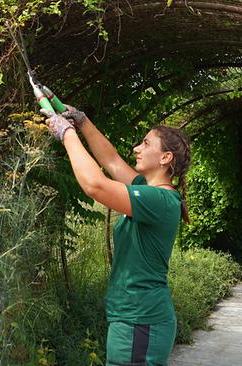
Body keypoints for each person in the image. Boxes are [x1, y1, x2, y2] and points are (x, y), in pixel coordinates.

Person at [41, 105, 191, 366]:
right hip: (132, 318)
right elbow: (111, 162)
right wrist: (83, 122)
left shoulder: (160, 200)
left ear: (165, 158)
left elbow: (95, 185)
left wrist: (67, 134)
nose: (137, 149)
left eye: (146, 144)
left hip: (141, 320)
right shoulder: (147, 190)